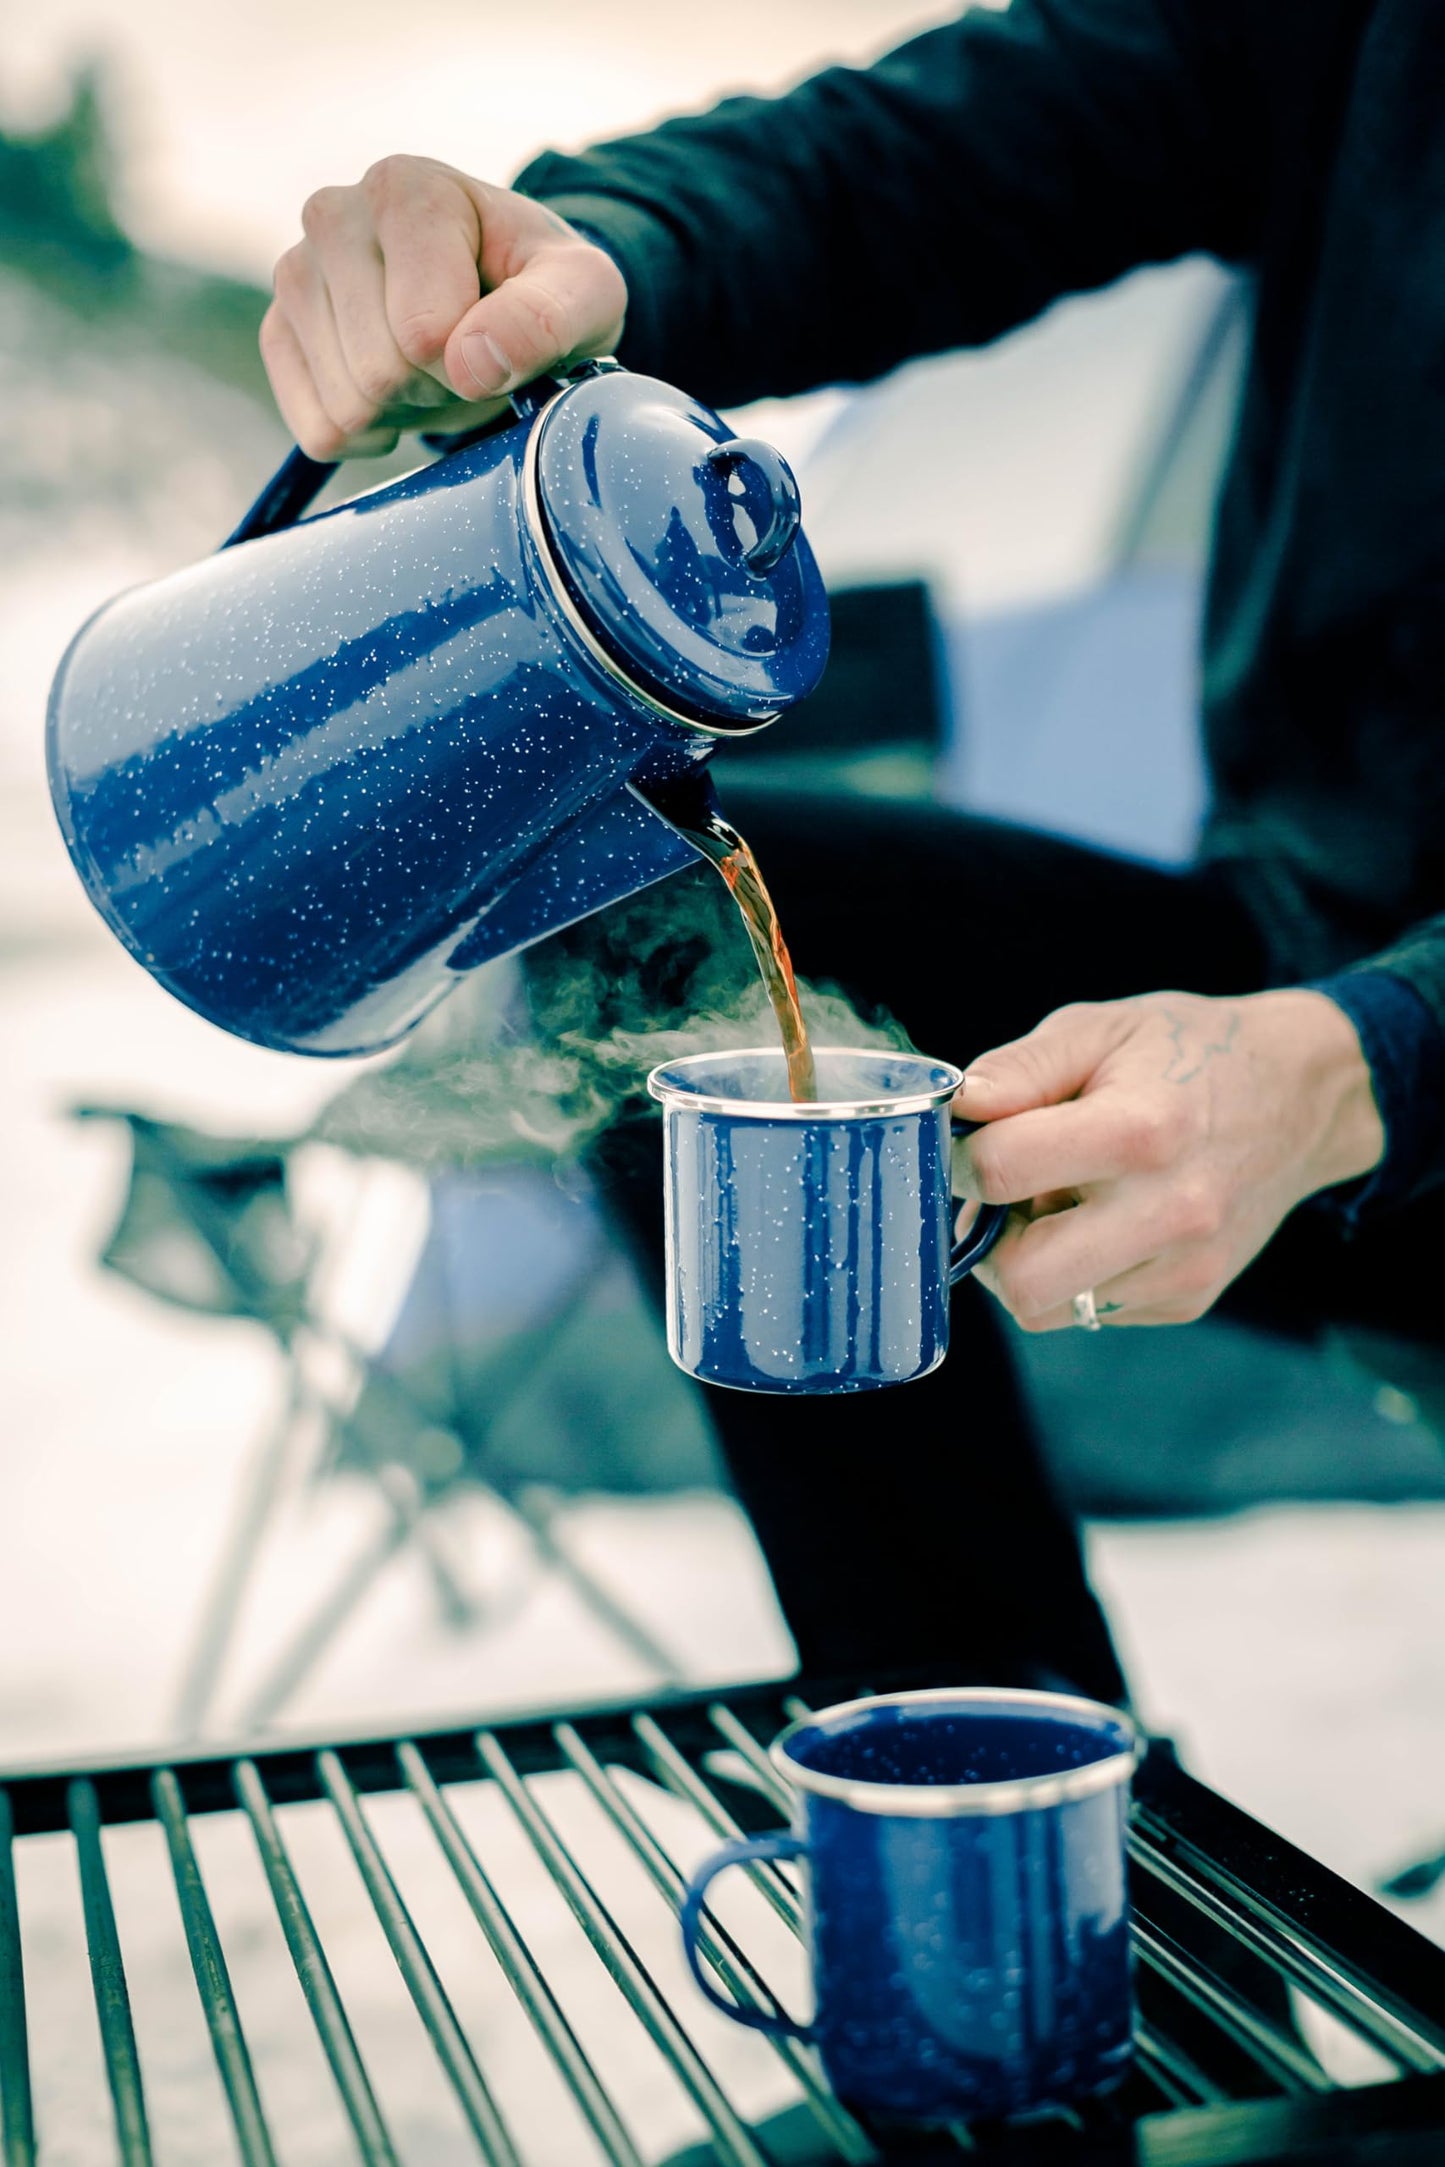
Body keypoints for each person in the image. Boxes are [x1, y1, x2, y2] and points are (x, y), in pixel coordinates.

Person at [258, 0, 1445, 1705]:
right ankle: (987, 1797)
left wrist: (1369, 1065)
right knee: (643, 883)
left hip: (1392, 1063)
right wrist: (596, 249)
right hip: (1299, 949)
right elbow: (945, 155)